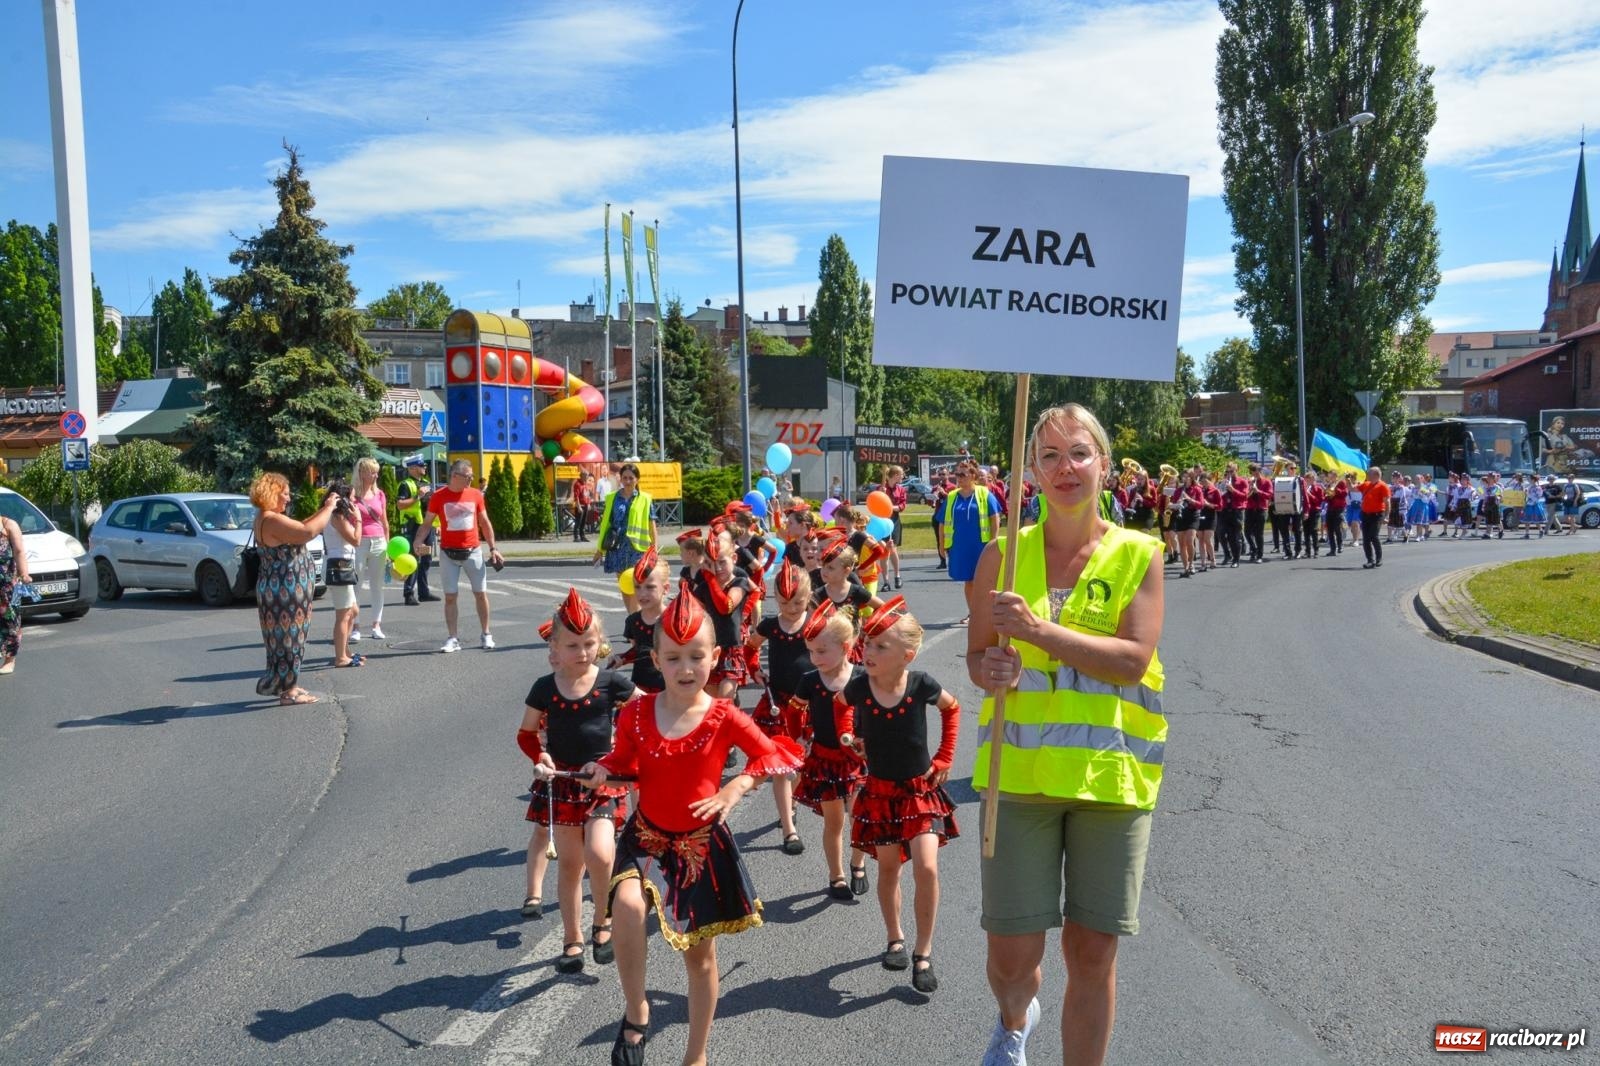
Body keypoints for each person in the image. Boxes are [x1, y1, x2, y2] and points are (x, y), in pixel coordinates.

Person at [966, 403, 1166, 1066]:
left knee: (1092, 952)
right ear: (1031, 471)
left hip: (1111, 779)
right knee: (1011, 959)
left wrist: (1039, 633)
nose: (1065, 467)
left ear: (1104, 465)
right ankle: (1014, 1019)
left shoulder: (1140, 554)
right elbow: (976, 659)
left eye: (1079, 452)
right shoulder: (1001, 556)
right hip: (1018, 780)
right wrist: (990, 664)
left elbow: (1133, 659)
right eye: (1048, 456)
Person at [581, 587, 803, 1066]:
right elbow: (624, 764)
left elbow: (777, 754)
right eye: (674, 657)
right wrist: (604, 771)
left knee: (699, 960)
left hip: (699, 847)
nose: (686, 669)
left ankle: (695, 1055)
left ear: (716, 656)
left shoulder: (725, 715)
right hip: (646, 835)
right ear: (655, 659)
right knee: (625, 905)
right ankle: (637, 1010)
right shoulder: (637, 712)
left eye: (697, 657)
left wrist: (734, 789)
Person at [837, 599, 960, 996]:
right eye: (867, 644)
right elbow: (840, 707)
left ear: (907, 656)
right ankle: (895, 938)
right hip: (880, 792)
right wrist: (847, 737)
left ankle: (924, 954)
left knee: (927, 866)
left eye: (879, 647)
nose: (867, 653)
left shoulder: (921, 683)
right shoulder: (859, 686)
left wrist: (944, 756)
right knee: (889, 869)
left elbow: (953, 708)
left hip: (918, 791)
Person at [518, 589, 639, 971]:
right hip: (564, 783)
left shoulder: (612, 683)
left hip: (602, 780)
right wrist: (541, 756)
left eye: (589, 643)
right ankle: (573, 939)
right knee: (570, 864)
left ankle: (602, 920)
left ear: (600, 643)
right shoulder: (544, 688)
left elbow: (648, 712)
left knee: (601, 854)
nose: (583, 652)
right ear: (554, 645)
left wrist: (620, 757)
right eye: (573, 645)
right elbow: (526, 733)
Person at [789, 602, 869, 901]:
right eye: (811, 651)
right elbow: (794, 710)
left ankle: (857, 862)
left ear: (846, 647)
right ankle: (836, 876)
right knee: (834, 821)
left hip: (858, 760)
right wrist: (798, 737)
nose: (814, 657)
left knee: (860, 816)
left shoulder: (862, 677)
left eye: (821, 651)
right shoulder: (810, 680)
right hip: (824, 759)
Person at [250, 472, 338, 704]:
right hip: (285, 591)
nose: (289, 499)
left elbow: (300, 526)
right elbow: (306, 532)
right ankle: (288, 692)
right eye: (285, 494)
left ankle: (290, 685)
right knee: (290, 640)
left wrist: (321, 509)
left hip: (277, 588)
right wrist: (328, 508)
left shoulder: (265, 517)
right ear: (273, 493)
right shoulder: (272, 519)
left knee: (283, 641)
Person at [745, 562, 814, 857]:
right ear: (774, 596)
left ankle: (794, 802)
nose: (791, 608)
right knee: (780, 768)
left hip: (808, 704)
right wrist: (754, 670)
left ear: (808, 595)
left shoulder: (816, 624)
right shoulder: (771, 625)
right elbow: (750, 647)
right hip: (778, 703)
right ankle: (789, 829)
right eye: (784, 602)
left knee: (798, 765)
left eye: (798, 602)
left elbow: (838, 652)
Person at [416, 459, 504, 652]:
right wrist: (417, 541)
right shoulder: (439, 497)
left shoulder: (475, 495)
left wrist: (493, 548)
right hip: (448, 553)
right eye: (468, 477)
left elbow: (484, 522)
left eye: (472, 476)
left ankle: (486, 634)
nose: (471, 480)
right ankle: (453, 638)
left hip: (473, 551)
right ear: (455, 476)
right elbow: (427, 523)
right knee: (450, 597)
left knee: (480, 594)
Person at [592, 462, 658, 615]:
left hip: (637, 549)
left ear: (637, 479)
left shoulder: (645, 499)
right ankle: (631, 619)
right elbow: (605, 525)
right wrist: (599, 550)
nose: (628, 481)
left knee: (635, 584)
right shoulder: (612, 498)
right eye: (625, 478)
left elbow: (651, 525)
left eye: (631, 478)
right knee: (624, 585)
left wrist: (653, 549)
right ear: (620, 479)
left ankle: (635, 621)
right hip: (617, 547)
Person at [943, 460, 1002, 624]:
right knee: (969, 581)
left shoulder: (984, 493)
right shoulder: (952, 496)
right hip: (961, 546)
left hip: (981, 545)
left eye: (962, 474)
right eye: (957, 474)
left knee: (985, 580)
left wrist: (993, 542)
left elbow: (994, 518)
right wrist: (942, 546)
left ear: (973, 476)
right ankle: (973, 614)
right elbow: (942, 522)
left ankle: (989, 613)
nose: (958, 478)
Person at [348, 457, 390, 642]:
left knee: (377, 585)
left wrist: (387, 546)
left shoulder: (380, 494)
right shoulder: (352, 495)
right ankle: (355, 627)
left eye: (376, 472)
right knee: (355, 585)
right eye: (372, 472)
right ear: (362, 473)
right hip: (359, 543)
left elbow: (385, 522)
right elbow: (347, 521)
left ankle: (376, 625)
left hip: (379, 541)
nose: (376, 475)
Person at [322, 488, 364, 668]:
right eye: (352, 496)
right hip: (339, 567)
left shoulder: (335, 515)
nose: (355, 499)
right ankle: (340, 657)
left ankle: (345, 652)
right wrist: (359, 518)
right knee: (344, 614)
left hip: (342, 565)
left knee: (352, 610)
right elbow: (356, 540)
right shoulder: (338, 516)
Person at [396, 456, 434, 605]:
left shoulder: (426, 483)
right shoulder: (405, 484)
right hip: (412, 526)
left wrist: (436, 526)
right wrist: (418, 496)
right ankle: (408, 593)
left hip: (426, 526)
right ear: (412, 468)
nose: (424, 467)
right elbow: (400, 505)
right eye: (421, 465)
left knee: (426, 559)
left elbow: (431, 507)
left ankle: (424, 592)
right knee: (412, 559)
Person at [0, 510, 32, 675]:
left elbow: (19, 551)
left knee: (11, 621)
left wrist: (24, 573)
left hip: (8, 584)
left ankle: (9, 660)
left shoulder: (9, 525)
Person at [880, 465, 909, 590]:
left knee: (892, 548)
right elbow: (875, 502)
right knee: (883, 551)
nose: (903, 476)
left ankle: (897, 575)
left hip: (895, 520)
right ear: (896, 475)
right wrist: (880, 494)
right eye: (901, 474)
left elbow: (903, 505)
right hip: (882, 521)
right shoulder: (881, 488)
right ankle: (886, 581)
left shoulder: (901, 489)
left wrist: (892, 507)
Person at [1359, 465, 1391, 569]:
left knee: (1374, 536)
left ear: (1376, 475)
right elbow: (1352, 488)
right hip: (1365, 514)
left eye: (1369, 473)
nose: (1367, 475)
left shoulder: (1383, 486)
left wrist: (1386, 516)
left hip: (1377, 515)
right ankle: (1370, 560)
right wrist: (1348, 480)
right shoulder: (1366, 484)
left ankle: (1379, 558)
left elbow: (1387, 502)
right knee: (1366, 539)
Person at [1244, 461, 1271, 562]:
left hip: (1261, 509)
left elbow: (1269, 495)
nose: (1254, 474)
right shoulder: (1249, 482)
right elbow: (1245, 496)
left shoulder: (1266, 482)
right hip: (1250, 509)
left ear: (1260, 471)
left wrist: (1258, 491)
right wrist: (1250, 488)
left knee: (1259, 534)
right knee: (1247, 532)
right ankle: (1254, 549)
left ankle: (1259, 555)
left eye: (1255, 472)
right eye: (1252, 472)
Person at [571, 471, 594, 543]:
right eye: (585, 475)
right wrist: (578, 506)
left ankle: (582, 536)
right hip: (580, 506)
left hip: (586, 505)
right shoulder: (577, 484)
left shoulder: (585, 484)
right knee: (578, 521)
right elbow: (576, 496)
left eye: (587, 475)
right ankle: (576, 537)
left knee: (584, 522)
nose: (587, 477)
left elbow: (587, 495)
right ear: (581, 476)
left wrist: (589, 503)